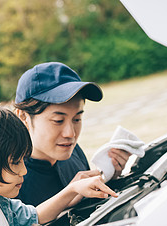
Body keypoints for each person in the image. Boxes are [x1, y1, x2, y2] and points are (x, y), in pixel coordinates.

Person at [14, 62, 131, 207]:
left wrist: (108, 178)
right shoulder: (8, 178)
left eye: (77, 119)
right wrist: (66, 198)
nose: (71, 134)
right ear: (24, 117)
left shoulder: (73, 151)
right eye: (58, 120)